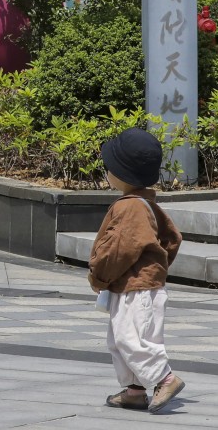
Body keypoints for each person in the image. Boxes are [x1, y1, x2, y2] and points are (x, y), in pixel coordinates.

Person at [89, 127, 184, 414]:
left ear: (123, 174)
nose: (107, 172)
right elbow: (173, 239)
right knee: (122, 339)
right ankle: (134, 390)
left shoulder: (130, 208)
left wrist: (99, 275)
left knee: (132, 339)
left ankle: (164, 379)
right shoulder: (146, 204)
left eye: (110, 167)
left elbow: (119, 248)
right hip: (138, 285)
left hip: (136, 287)